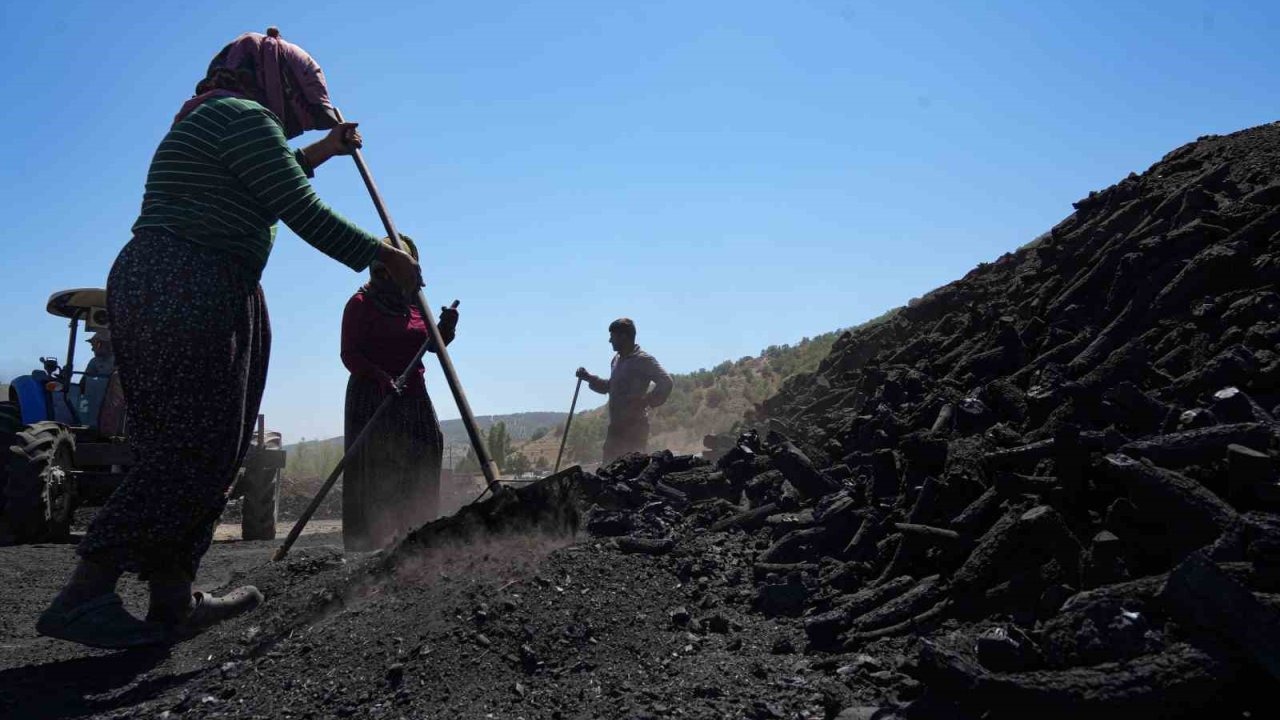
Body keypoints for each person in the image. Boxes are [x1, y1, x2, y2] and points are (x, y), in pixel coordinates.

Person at [37, 28, 421, 650]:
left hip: (183, 278)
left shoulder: (222, 119)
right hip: (190, 279)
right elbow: (297, 205)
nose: (300, 117)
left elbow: (277, 175)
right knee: (192, 444)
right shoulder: (241, 116)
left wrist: (323, 149)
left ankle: (172, 597)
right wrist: (383, 257)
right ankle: (86, 592)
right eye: (302, 103)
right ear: (278, 82)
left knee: (206, 444)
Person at [340, 235, 458, 552]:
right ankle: (370, 543)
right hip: (373, 396)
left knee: (427, 447)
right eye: (381, 270)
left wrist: (446, 329)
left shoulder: (414, 304)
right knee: (378, 465)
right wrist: (379, 376)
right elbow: (349, 355)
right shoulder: (360, 304)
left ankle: (416, 535)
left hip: (413, 395)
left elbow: (432, 346)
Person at [576, 318, 674, 464]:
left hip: (634, 428)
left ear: (624, 336)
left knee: (630, 471)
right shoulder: (616, 360)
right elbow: (610, 387)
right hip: (616, 428)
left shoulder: (643, 360)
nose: (610, 340)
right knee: (608, 470)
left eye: (613, 336)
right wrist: (589, 378)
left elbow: (666, 382)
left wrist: (645, 401)